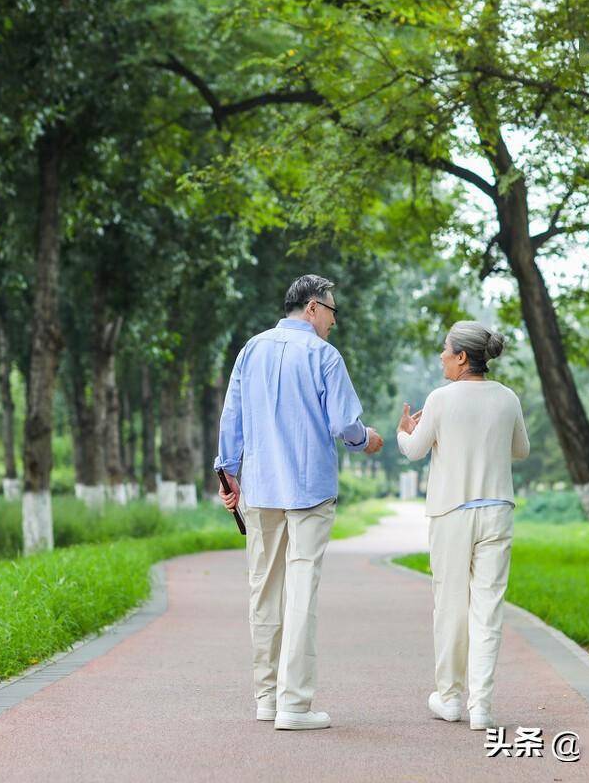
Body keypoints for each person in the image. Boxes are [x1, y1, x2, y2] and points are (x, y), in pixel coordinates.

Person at [214, 274, 384, 731]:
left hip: (261, 486)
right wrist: (365, 440)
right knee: (302, 589)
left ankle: (266, 698)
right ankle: (295, 705)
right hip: (308, 489)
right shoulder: (323, 356)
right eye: (332, 311)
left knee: (264, 590)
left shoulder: (251, 349)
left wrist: (226, 471)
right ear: (312, 307)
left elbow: (232, 416)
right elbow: (345, 423)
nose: (333, 321)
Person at [396, 321, 529, 731]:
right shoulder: (507, 398)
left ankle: (450, 698)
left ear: (461, 357)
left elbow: (415, 452)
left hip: (452, 512)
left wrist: (405, 432)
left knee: (450, 605)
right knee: (488, 608)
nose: (441, 356)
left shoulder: (440, 399)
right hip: (497, 510)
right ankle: (482, 706)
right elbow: (520, 451)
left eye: (445, 349)